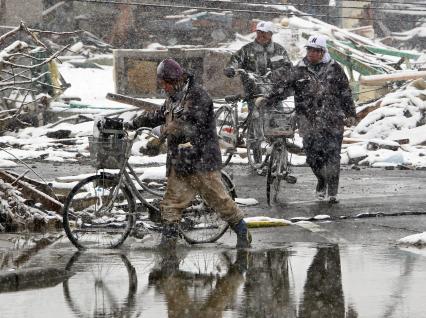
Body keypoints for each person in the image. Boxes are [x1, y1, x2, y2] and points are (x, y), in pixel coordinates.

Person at [130, 58, 252, 248]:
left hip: (201, 160)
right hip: (180, 161)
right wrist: (134, 123)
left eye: (165, 83)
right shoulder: (174, 97)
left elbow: (185, 124)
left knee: (219, 201)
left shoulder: (197, 96)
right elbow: (159, 114)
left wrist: (160, 137)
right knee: (171, 204)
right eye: (162, 84)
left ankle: (242, 232)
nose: (164, 88)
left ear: (174, 80)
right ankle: (168, 246)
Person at [267, 34, 356, 203]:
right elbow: (284, 88)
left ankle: (332, 191)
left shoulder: (335, 69)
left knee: (332, 155)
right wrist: (268, 100)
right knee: (312, 156)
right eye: (309, 50)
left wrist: (351, 113)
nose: (312, 54)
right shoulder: (299, 69)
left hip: (332, 120)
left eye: (316, 51)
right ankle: (321, 179)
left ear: (323, 52)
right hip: (307, 121)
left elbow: (345, 93)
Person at [224, 21, 292, 173]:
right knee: (256, 126)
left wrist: (278, 74)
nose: (261, 35)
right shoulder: (247, 50)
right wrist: (231, 69)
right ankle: (257, 160)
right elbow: (234, 61)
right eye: (259, 32)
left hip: (274, 94)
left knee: (279, 124)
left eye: (265, 33)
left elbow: (289, 67)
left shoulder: (279, 51)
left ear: (271, 34)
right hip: (254, 92)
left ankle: (281, 162)